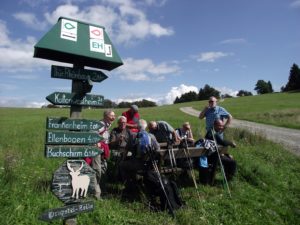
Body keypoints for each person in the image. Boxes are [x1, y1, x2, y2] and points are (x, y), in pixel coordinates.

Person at [86, 109, 115, 200]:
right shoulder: (101, 124)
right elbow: (91, 133)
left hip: (102, 150)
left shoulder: (108, 124)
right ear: (106, 116)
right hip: (96, 150)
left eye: (114, 116)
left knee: (102, 170)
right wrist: (96, 142)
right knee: (97, 170)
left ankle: (100, 191)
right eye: (111, 116)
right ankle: (96, 194)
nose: (113, 117)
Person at [199, 119, 237, 185]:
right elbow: (223, 143)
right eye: (219, 126)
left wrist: (226, 154)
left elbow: (218, 145)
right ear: (214, 125)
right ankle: (228, 179)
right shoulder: (213, 133)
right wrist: (231, 143)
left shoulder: (213, 132)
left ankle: (228, 178)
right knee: (232, 162)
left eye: (222, 126)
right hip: (212, 157)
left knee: (230, 159)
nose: (221, 127)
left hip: (215, 154)